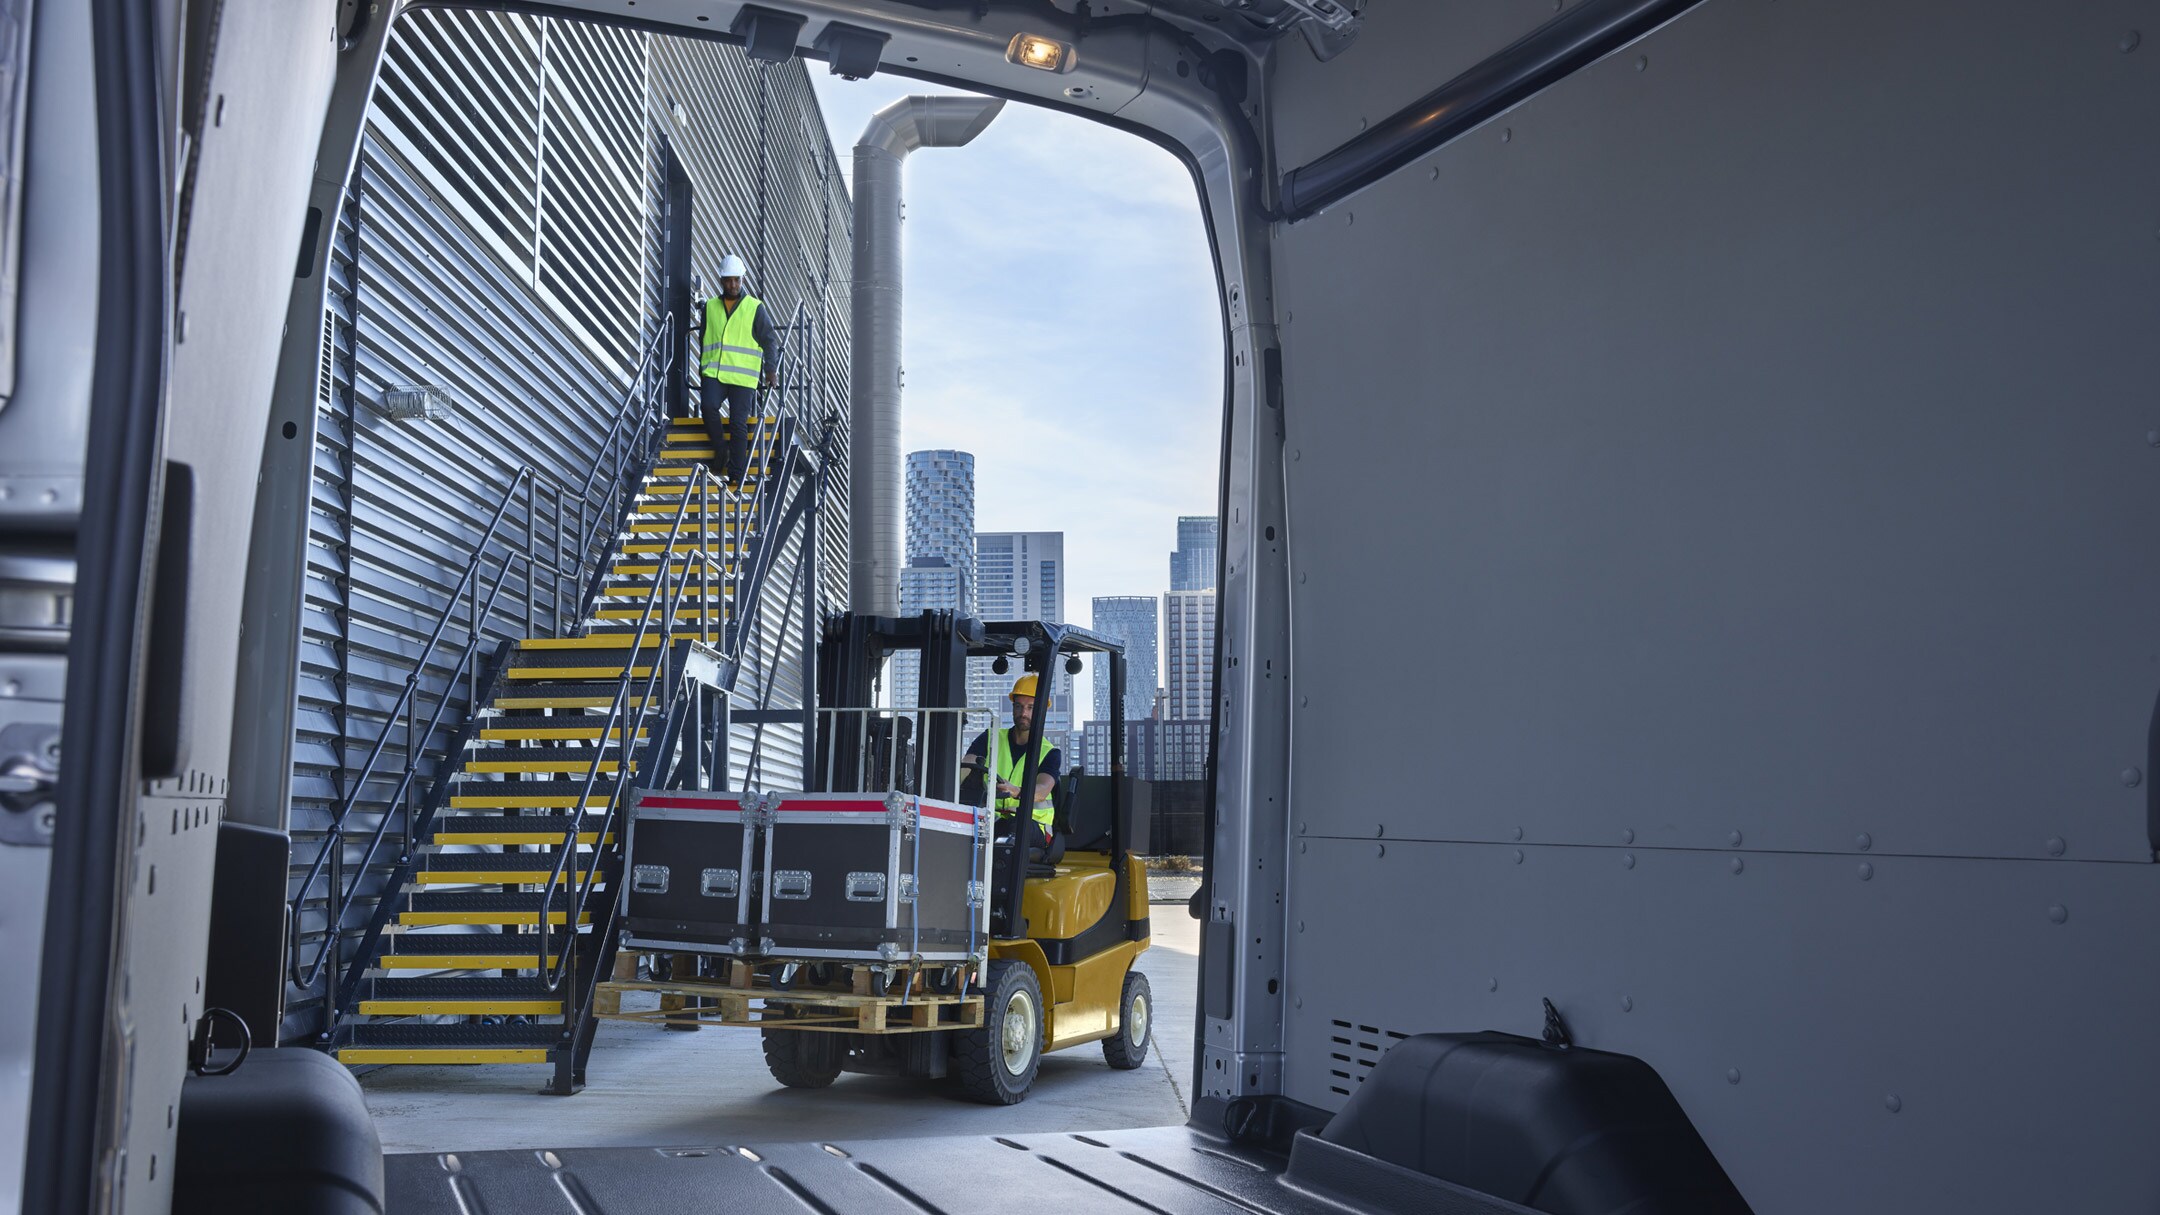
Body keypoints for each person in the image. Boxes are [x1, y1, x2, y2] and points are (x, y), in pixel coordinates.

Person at [697, 253, 778, 487]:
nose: (733, 285)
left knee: (738, 424)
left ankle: (736, 474)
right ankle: (721, 450)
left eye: (737, 280)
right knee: (708, 406)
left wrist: (770, 370)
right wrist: (703, 367)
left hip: (743, 377)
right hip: (714, 372)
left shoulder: (754, 308)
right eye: (728, 280)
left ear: (742, 280)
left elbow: (769, 340)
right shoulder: (710, 307)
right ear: (721, 280)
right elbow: (704, 338)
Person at [961, 673, 1060, 851]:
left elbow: (1042, 791)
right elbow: (967, 766)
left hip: (1035, 826)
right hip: (994, 818)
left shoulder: (1050, 752)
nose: (1024, 713)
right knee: (963, 827)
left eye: (1031, 708)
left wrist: (1015, 790)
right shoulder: (990, 737)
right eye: (1019, 707)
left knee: (1014, 829)